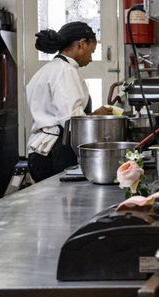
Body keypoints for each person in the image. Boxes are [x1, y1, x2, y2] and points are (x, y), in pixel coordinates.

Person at [26, 21, 112, 182]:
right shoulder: (65, 72)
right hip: (54, 152)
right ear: (82, 44)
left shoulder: (49, 69)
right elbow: (71, 121)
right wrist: (96, 117)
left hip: (41, 150)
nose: (91, 59)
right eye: (91, 51)